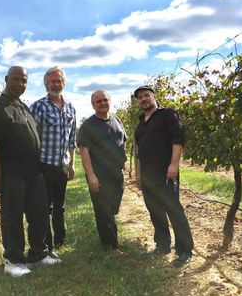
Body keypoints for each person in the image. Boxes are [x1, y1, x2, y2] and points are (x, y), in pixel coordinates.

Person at [0, 66, 61, 278]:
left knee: (39, 214)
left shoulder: (22, 107)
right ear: (7, 79)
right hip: (13, 173)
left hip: (34, 172)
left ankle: (38, 253)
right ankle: (13, 259)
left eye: (24, 81)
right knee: (13, 217)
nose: (20, 84)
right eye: (16, 79)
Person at [134, 85, 194, 267]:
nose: (144, 99)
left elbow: (178, 138)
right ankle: (162, 245)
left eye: (146, 95)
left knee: (174, 210)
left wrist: (174, 164)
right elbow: (139, 152)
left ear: (154, 96)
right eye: (140, 98)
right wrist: (138, 175)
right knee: (155, 211)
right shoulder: (141, 123)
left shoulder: (167, 114)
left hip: (165, 173)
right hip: (147, 176)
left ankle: (185, 250)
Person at [30, 67, 76, 257]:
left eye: (59, 81)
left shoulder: (70, 107)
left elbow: (72, 138)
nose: (56, 84)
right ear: (46, 84)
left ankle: (60, 239)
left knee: (60, 205)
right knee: (44, 207)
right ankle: (48, 246)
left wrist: (72, 164)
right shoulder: (38, 106)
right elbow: (31, 137)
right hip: (44, 165)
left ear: (64, 83)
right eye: (52, 81)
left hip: (62, 165)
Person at [78, 90, 127, 252]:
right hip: (99, 173)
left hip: (117, 173)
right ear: (93, 105)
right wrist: (91, 175)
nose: (102, 103)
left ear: (109, 101)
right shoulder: (88, 126)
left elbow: (122, 142)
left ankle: (109, 239)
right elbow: (84, 152)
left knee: (112, 208)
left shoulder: (117, 120)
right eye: (98, 101)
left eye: (105, 100)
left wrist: (124, 164)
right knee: (103, 210)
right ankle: (110, 245)